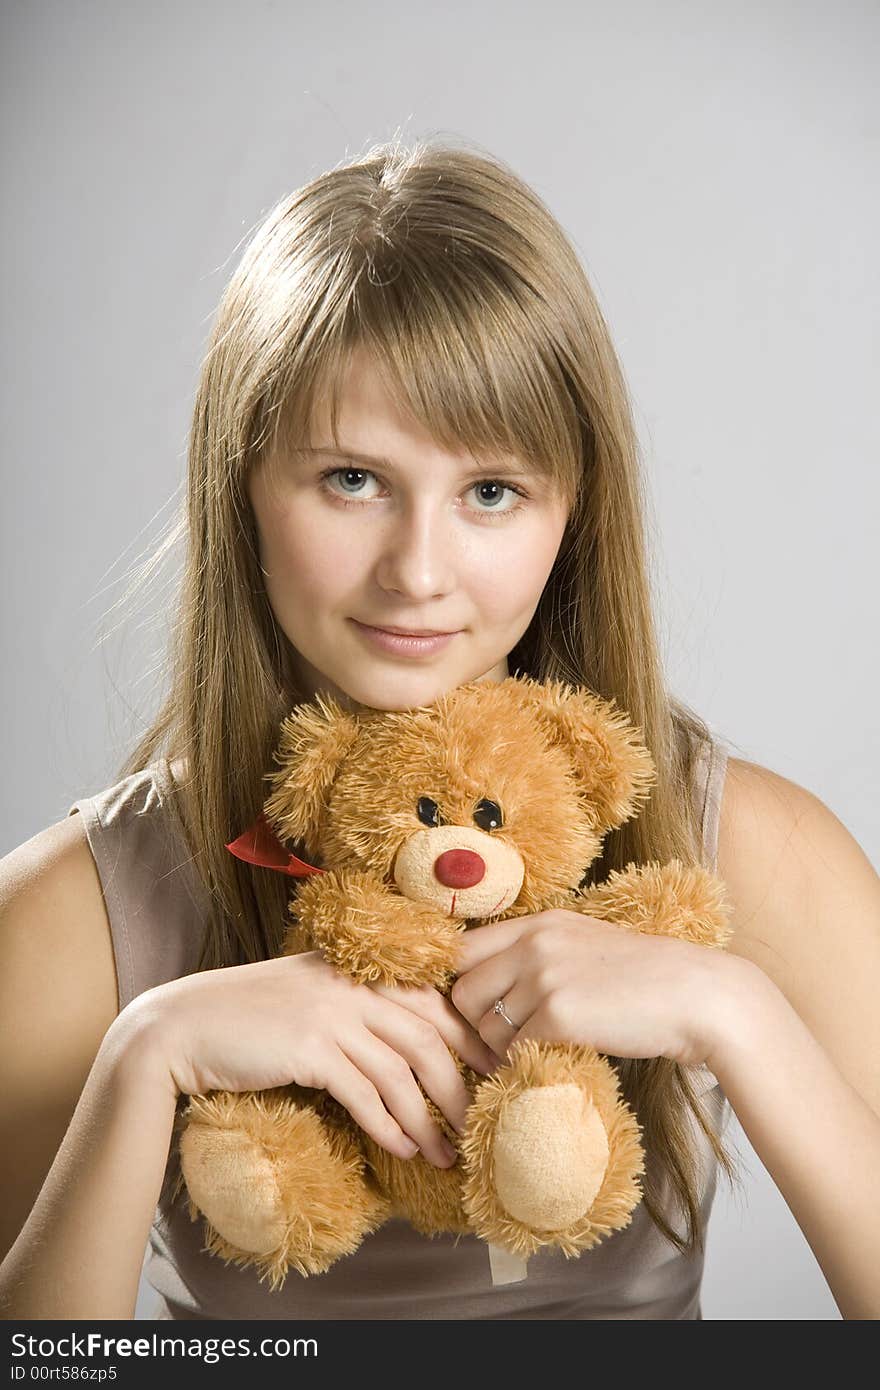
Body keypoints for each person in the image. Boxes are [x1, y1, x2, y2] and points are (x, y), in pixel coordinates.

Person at [1, 138, 878, 1323]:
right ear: (242, 485)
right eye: (353, 479)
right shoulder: (74, 910)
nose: (417, 572)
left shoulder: (751, 846)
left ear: (575, 513)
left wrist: (737, 1013)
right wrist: (145, 1057)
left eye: (491, 492)